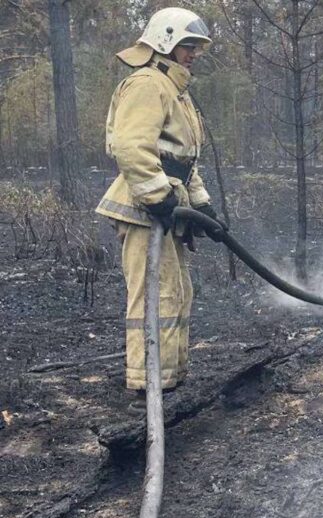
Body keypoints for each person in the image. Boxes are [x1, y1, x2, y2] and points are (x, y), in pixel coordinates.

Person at [95, 7, 225, 400]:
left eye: (196, 48)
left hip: (167, 205)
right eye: (187, 46)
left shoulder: (174, 90)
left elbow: (182, 160)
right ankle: (147, 382)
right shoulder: (147, 84)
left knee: (177, 291)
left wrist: (201, 206)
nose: (193, 54)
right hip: (143, 210)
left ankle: (168, 377)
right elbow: (131, 147)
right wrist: (158, 197)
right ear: (165, 42)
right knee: (157, 295)